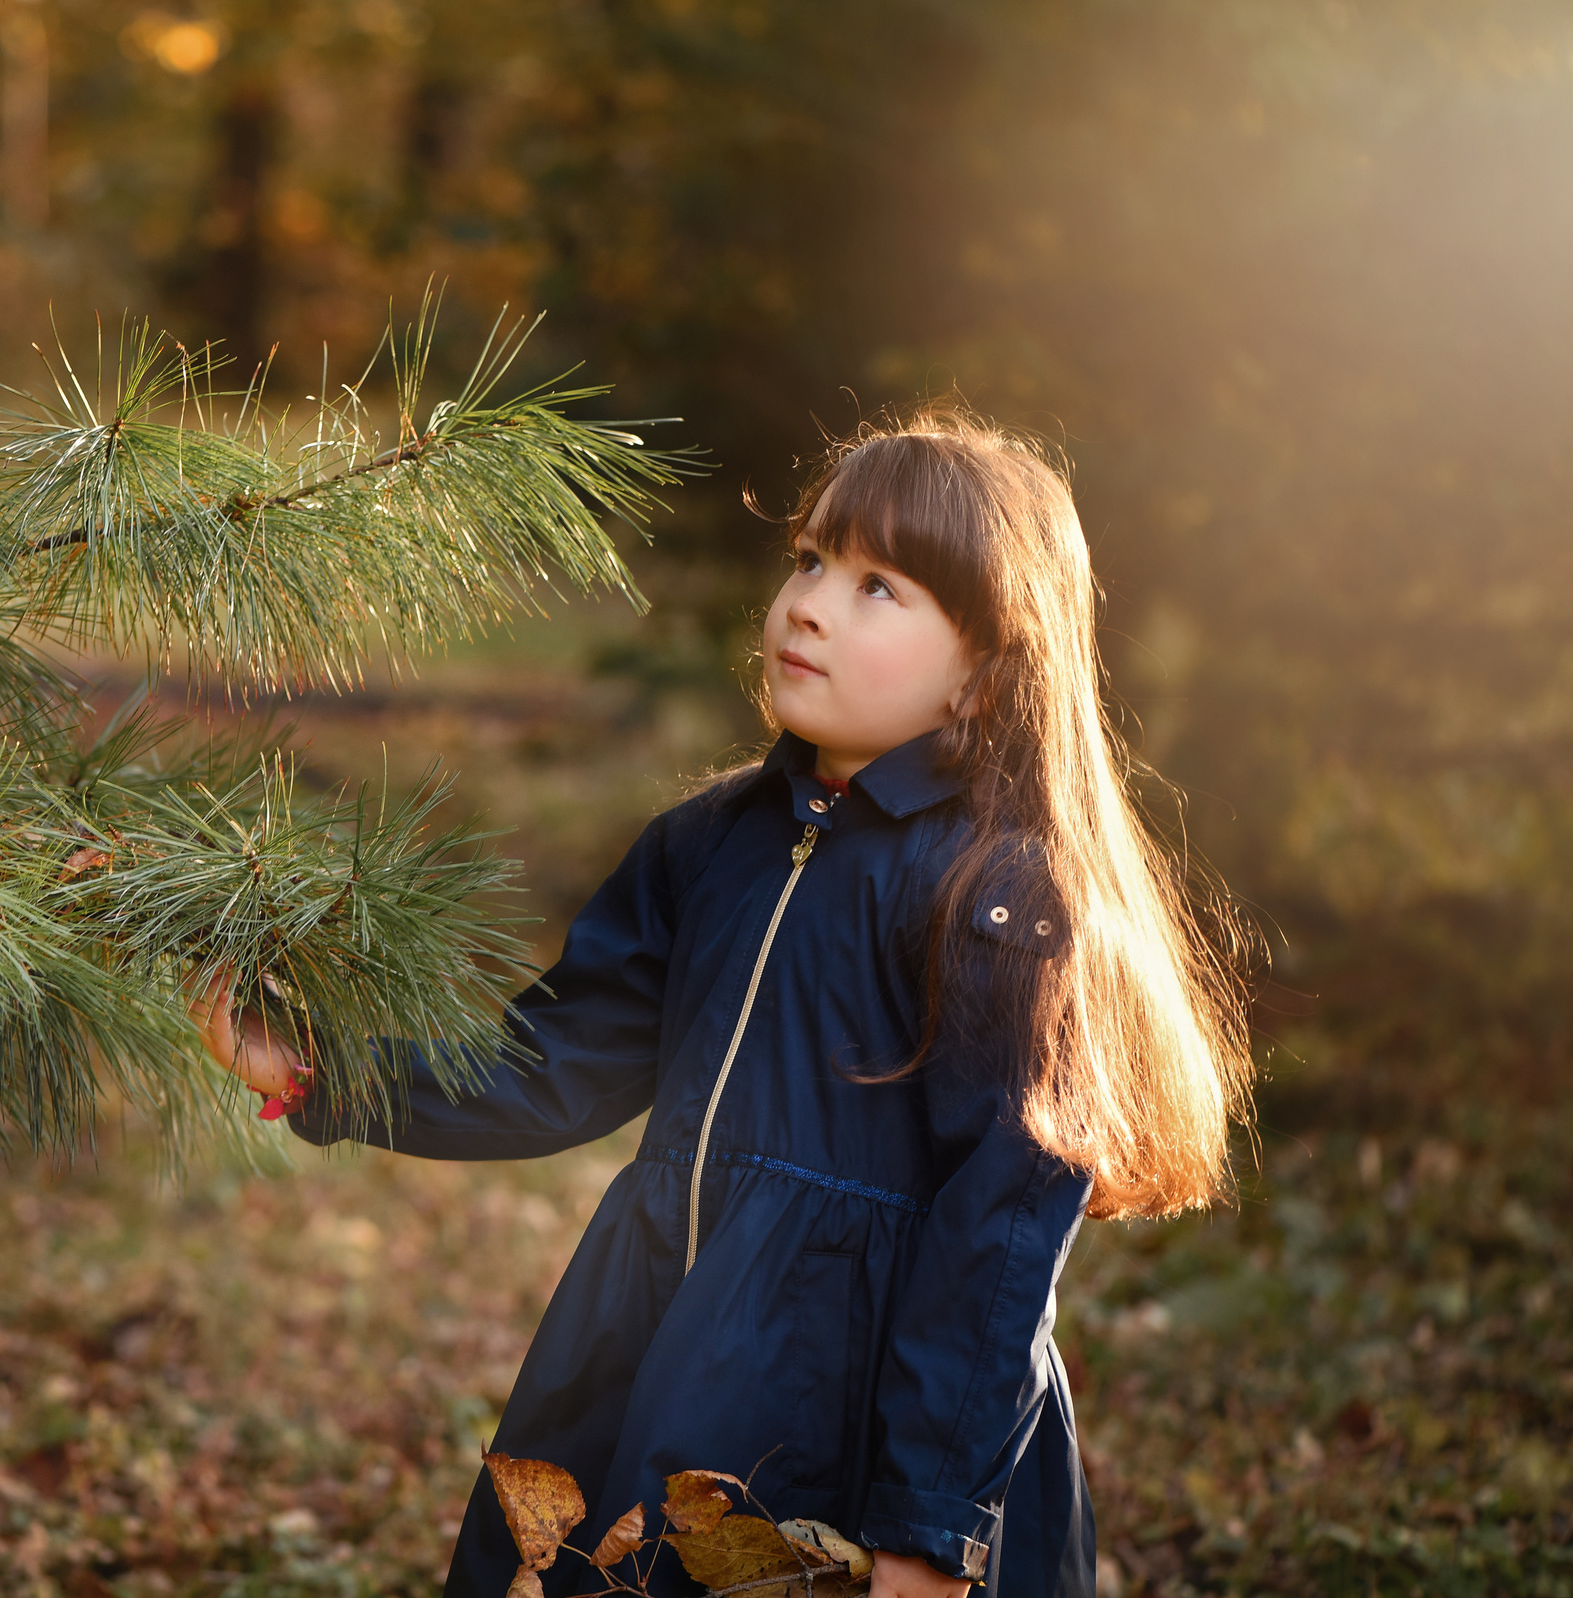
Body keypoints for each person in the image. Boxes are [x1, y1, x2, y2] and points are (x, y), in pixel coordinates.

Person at [192, 413, 1253, 1598]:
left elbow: (1000, 1228)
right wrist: (316, 1068)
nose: (809, 603)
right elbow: (552, 1063)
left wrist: (927, 1526)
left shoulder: (993, 892)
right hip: (658, 1359)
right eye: (808, 560)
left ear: (986, 670)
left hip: (859, 1418)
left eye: (878, 587)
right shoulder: (707, 844)